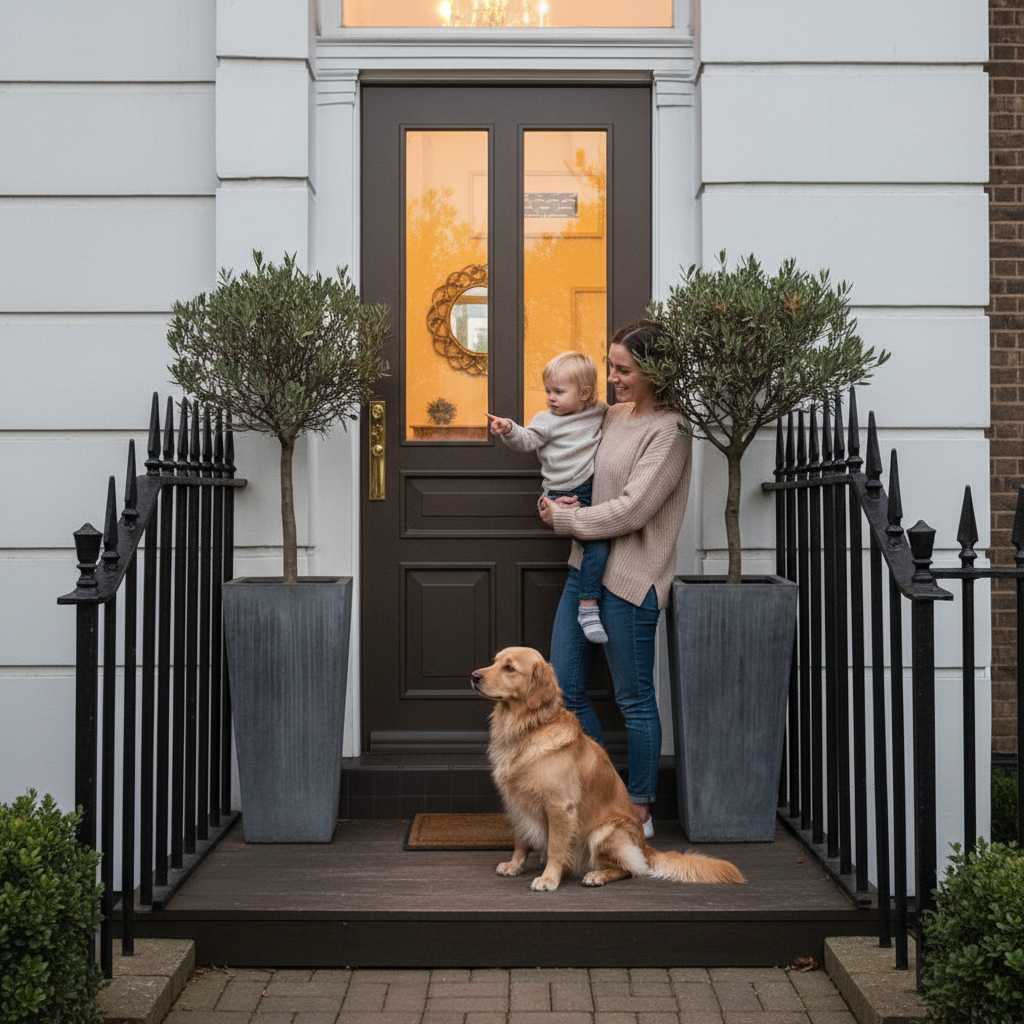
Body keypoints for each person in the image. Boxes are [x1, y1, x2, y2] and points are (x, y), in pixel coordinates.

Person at [538, 320, 692, 839]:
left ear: (653, 370)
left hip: (631, 580)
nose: (612, 377)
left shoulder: (670, 431)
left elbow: (633, 510)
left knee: (633, 699)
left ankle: (641, 812)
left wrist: (564, 521)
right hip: (585, 570)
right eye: (610, 366)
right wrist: (552, 499)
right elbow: (575, 466)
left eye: (623, 369)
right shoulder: (612, 415)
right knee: (566, 691)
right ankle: (609, 796)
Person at [486, 351, 611, 643]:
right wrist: (509, 429)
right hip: (563, 492)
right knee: (596, 542)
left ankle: (588, 604)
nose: (551, 398)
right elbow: (527, 440)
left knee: (596, 544)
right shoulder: (547, 420)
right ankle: (588, 606)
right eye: (548, 392)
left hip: (590, 488)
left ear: (585, 393)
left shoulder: (600, 412)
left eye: (558, 391)